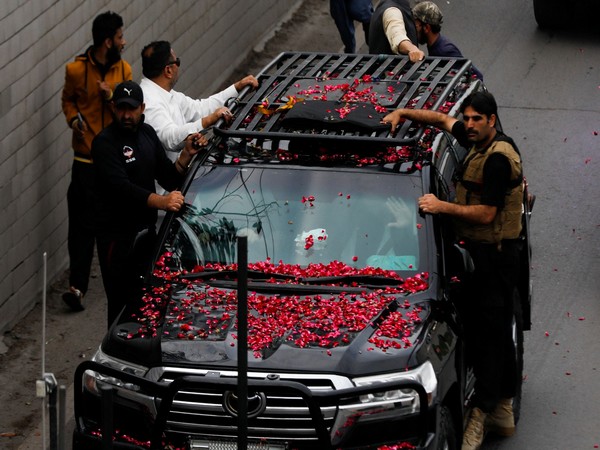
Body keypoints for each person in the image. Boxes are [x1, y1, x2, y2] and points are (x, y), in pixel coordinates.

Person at [383, 91, 523, 450]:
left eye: (478, 119)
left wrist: (441, 206)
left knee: (487, 336)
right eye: (469, 118)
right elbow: (442, 121)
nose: (470, 124)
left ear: (493, 120)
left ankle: (483, 412)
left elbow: (488, 214)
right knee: (493, 330)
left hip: (495, 258)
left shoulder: (496, 161)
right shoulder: (474, 139)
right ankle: (503, 408)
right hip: (481, 253)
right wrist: (403, 112)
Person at [91, 80, 207, 327]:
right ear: (113, 107)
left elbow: (168, 175)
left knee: (147, 297)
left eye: (131, 109)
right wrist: (162, 202)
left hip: (146, 233)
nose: (126, 115)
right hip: (117, 237)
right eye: (121, 108)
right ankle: (117, 354)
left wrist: (186, 154)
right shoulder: (104, 143)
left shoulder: (147, 134)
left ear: (142, 108)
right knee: (121, 302)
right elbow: (122, 189)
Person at [60, 11, 132, 311]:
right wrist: (74, 120)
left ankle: (119, 282)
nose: (123, 41)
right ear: (107, 41)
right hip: (86, 158)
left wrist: (111, 95)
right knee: (80, 225)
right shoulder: (76, 70)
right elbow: (68, 100)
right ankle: (77, 287)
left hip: (113, 161)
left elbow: (128, 110)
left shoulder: (124, 71)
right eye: (119, 37)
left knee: (113, 224)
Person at [139, 40, 259, 160]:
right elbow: (170, 138)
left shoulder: (167, 94)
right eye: (178, 62)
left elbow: (201, 108)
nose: (179, 67)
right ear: (168, 71)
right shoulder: (149, 101)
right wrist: (208, 120)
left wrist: (237, 87)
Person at [412, 1, 484, 80]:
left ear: (427, 28)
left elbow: (476, 76)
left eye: (416, 25)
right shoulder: (435, 47)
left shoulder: (445, 50)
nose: (414, 29)